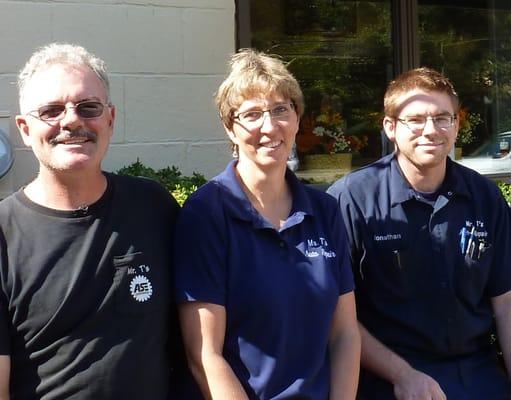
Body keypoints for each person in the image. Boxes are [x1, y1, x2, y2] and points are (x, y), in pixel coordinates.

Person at [174, 49, 360, 399]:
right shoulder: (207, 213)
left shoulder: (324, 210)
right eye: (252, 115)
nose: (269, 126)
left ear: (297, 118)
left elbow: (345, 334)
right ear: (230, 127)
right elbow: (204, 355)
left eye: (280, 110)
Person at [0, 43, 180, 399]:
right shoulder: (3, 235)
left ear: (110, 118)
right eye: (51, 111)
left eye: (88, 107)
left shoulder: (153, 207)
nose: (71, 121)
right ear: (24, 128)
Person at [328, 67, 511, 400]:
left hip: (477, 376)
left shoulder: (486, 198)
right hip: (388, 380)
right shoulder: (351, 201)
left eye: (443, 118)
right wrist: (402, 375)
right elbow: (337, 318)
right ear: (390, 127)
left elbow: (506, 304)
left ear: (457, 125)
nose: (431, 130)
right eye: (416, 120)